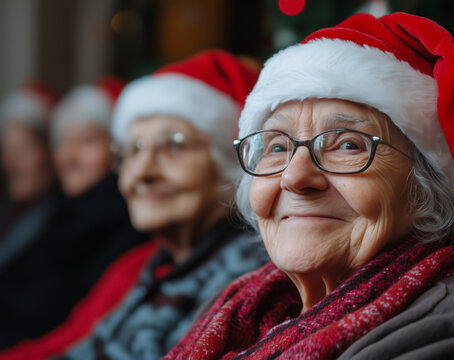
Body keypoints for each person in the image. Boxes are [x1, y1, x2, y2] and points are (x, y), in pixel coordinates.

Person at [165, 13, 454, 360]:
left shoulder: (450, 336)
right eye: (277, 147)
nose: (295, 177)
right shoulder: (246, 301)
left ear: (425, 187)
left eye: (348, 145)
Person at [58, 50, 268, 360]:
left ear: (231, 165)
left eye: (174, 145)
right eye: (133, 149)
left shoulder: (253, 293)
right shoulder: (151, 267)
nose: (142, 173)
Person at [0, 78, 148, 349]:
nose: (68, 156)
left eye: (87, 142)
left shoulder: (127, 223)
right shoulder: (61, 214)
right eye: (62, 143)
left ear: (118, 149)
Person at [0, 83, 59, 271]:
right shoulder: (11, 216)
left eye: (23, 150)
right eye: (7, 150)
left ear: (50, 152)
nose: (11, 164)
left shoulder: (61, 227)